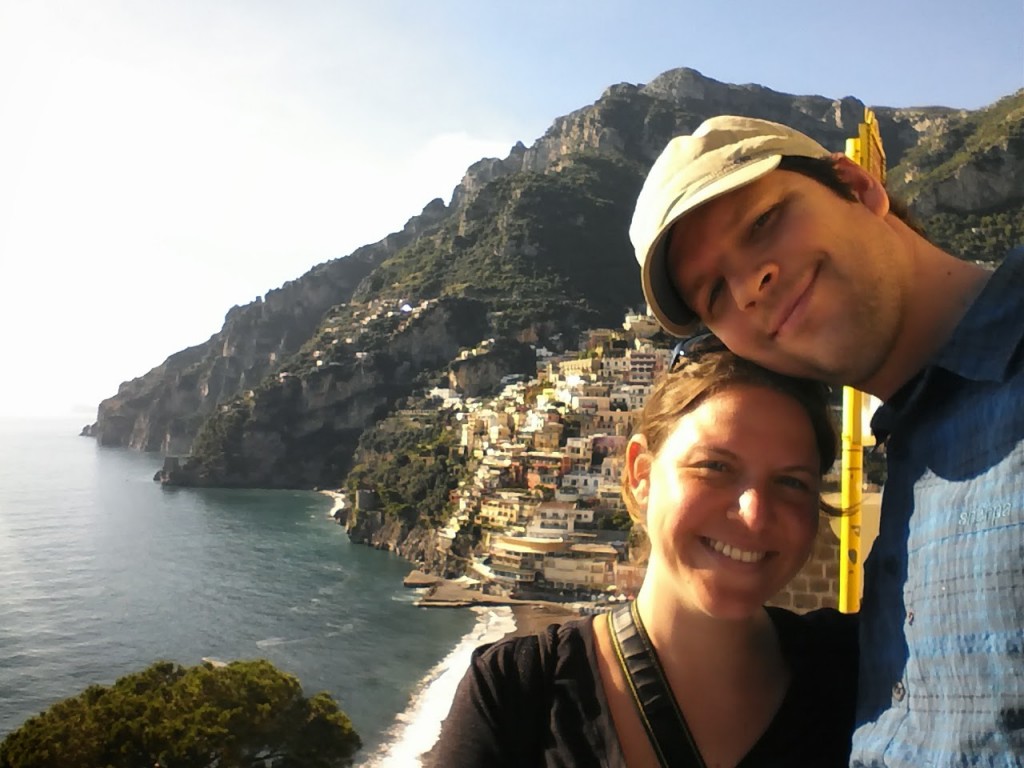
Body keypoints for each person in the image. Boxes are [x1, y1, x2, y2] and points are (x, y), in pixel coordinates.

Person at [628, 115, 1024, 766]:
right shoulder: (911, 450)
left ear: (858, 184)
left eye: (762, 223)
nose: (749, 288)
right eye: (713, 293)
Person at [428, 350, 858, 767]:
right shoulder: (517, 692)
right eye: (714, 467)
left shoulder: (858, 670)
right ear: (640, 475)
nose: (754, 514)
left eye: (791, 482)